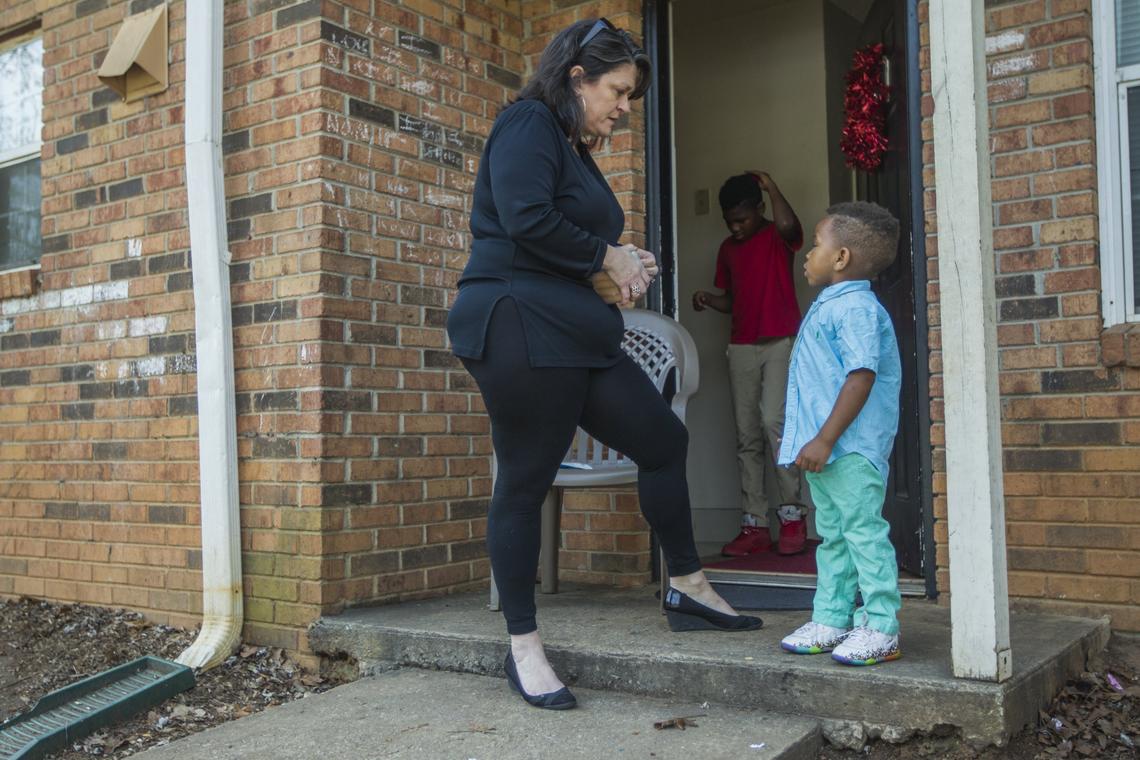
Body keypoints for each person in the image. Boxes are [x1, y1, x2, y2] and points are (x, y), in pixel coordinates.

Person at [446, 18, 761, 712]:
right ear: (577, 77)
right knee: (526, 478)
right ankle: (524, 647)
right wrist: (603, 257)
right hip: (517, 324)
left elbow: (561, 236)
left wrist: (619, 261)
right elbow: (524, 220)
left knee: (661, 438)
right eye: (617, 91)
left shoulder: (567, 145)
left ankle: (687, 585)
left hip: (576, 329)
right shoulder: (527, 121)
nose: (624, 107)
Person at [776, 202, 903, 666]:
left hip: (849, 448)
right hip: (827, 451)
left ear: (842, 257)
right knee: (834, 537)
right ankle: (831, 617)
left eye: (815, 245)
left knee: (863, 533)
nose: (808, 255)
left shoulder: (856, 309)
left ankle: (881, 626)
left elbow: (861, 377)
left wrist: (825, 438)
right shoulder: (832, 304)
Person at [691, 171, 808, 557]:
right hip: (741, 345)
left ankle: (792, 516)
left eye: (743, 219)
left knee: (775, 424)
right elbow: (733, 299)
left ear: (759, 209)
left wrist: (773, 187)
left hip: (780, 342)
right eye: (730, 222)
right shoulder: (728, 249)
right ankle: (754, 523)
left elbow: (791, 225)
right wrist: (710, 299)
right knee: (746, 435)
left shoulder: (777, 236)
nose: (736, 227)